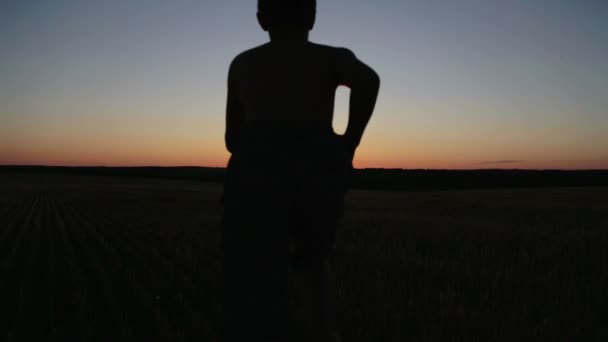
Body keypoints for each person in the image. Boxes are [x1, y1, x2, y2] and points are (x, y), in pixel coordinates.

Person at [220, 1, 380, 341]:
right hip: (316, 162)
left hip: (256, 165)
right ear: (312, 18)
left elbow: (232, 138)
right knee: (314, 261)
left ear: (262, 20)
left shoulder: (243, 63)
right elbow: (368, 80)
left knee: (257, 265)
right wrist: (348, 143)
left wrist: (259, 147)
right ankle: (324, 333)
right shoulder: (330, 57)